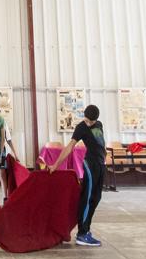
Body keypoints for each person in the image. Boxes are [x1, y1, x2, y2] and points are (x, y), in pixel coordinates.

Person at [46, 104, 107, 247]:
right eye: (87, 120)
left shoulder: (99, 124)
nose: (89, 123)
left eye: (91, 122)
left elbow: (100, 144)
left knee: (96, 197)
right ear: (84, 117)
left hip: (100, 164)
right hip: (90, 165)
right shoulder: (81, 127)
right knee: (87, 198)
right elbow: (69, 147)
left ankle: (86, 229)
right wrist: (55, 165)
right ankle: (82, 234)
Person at [0, 102, 18, 198]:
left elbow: (9, 140)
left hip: (1, 151)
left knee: (2, 174)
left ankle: (5, 197)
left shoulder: (3, 123)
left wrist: (15, 154)